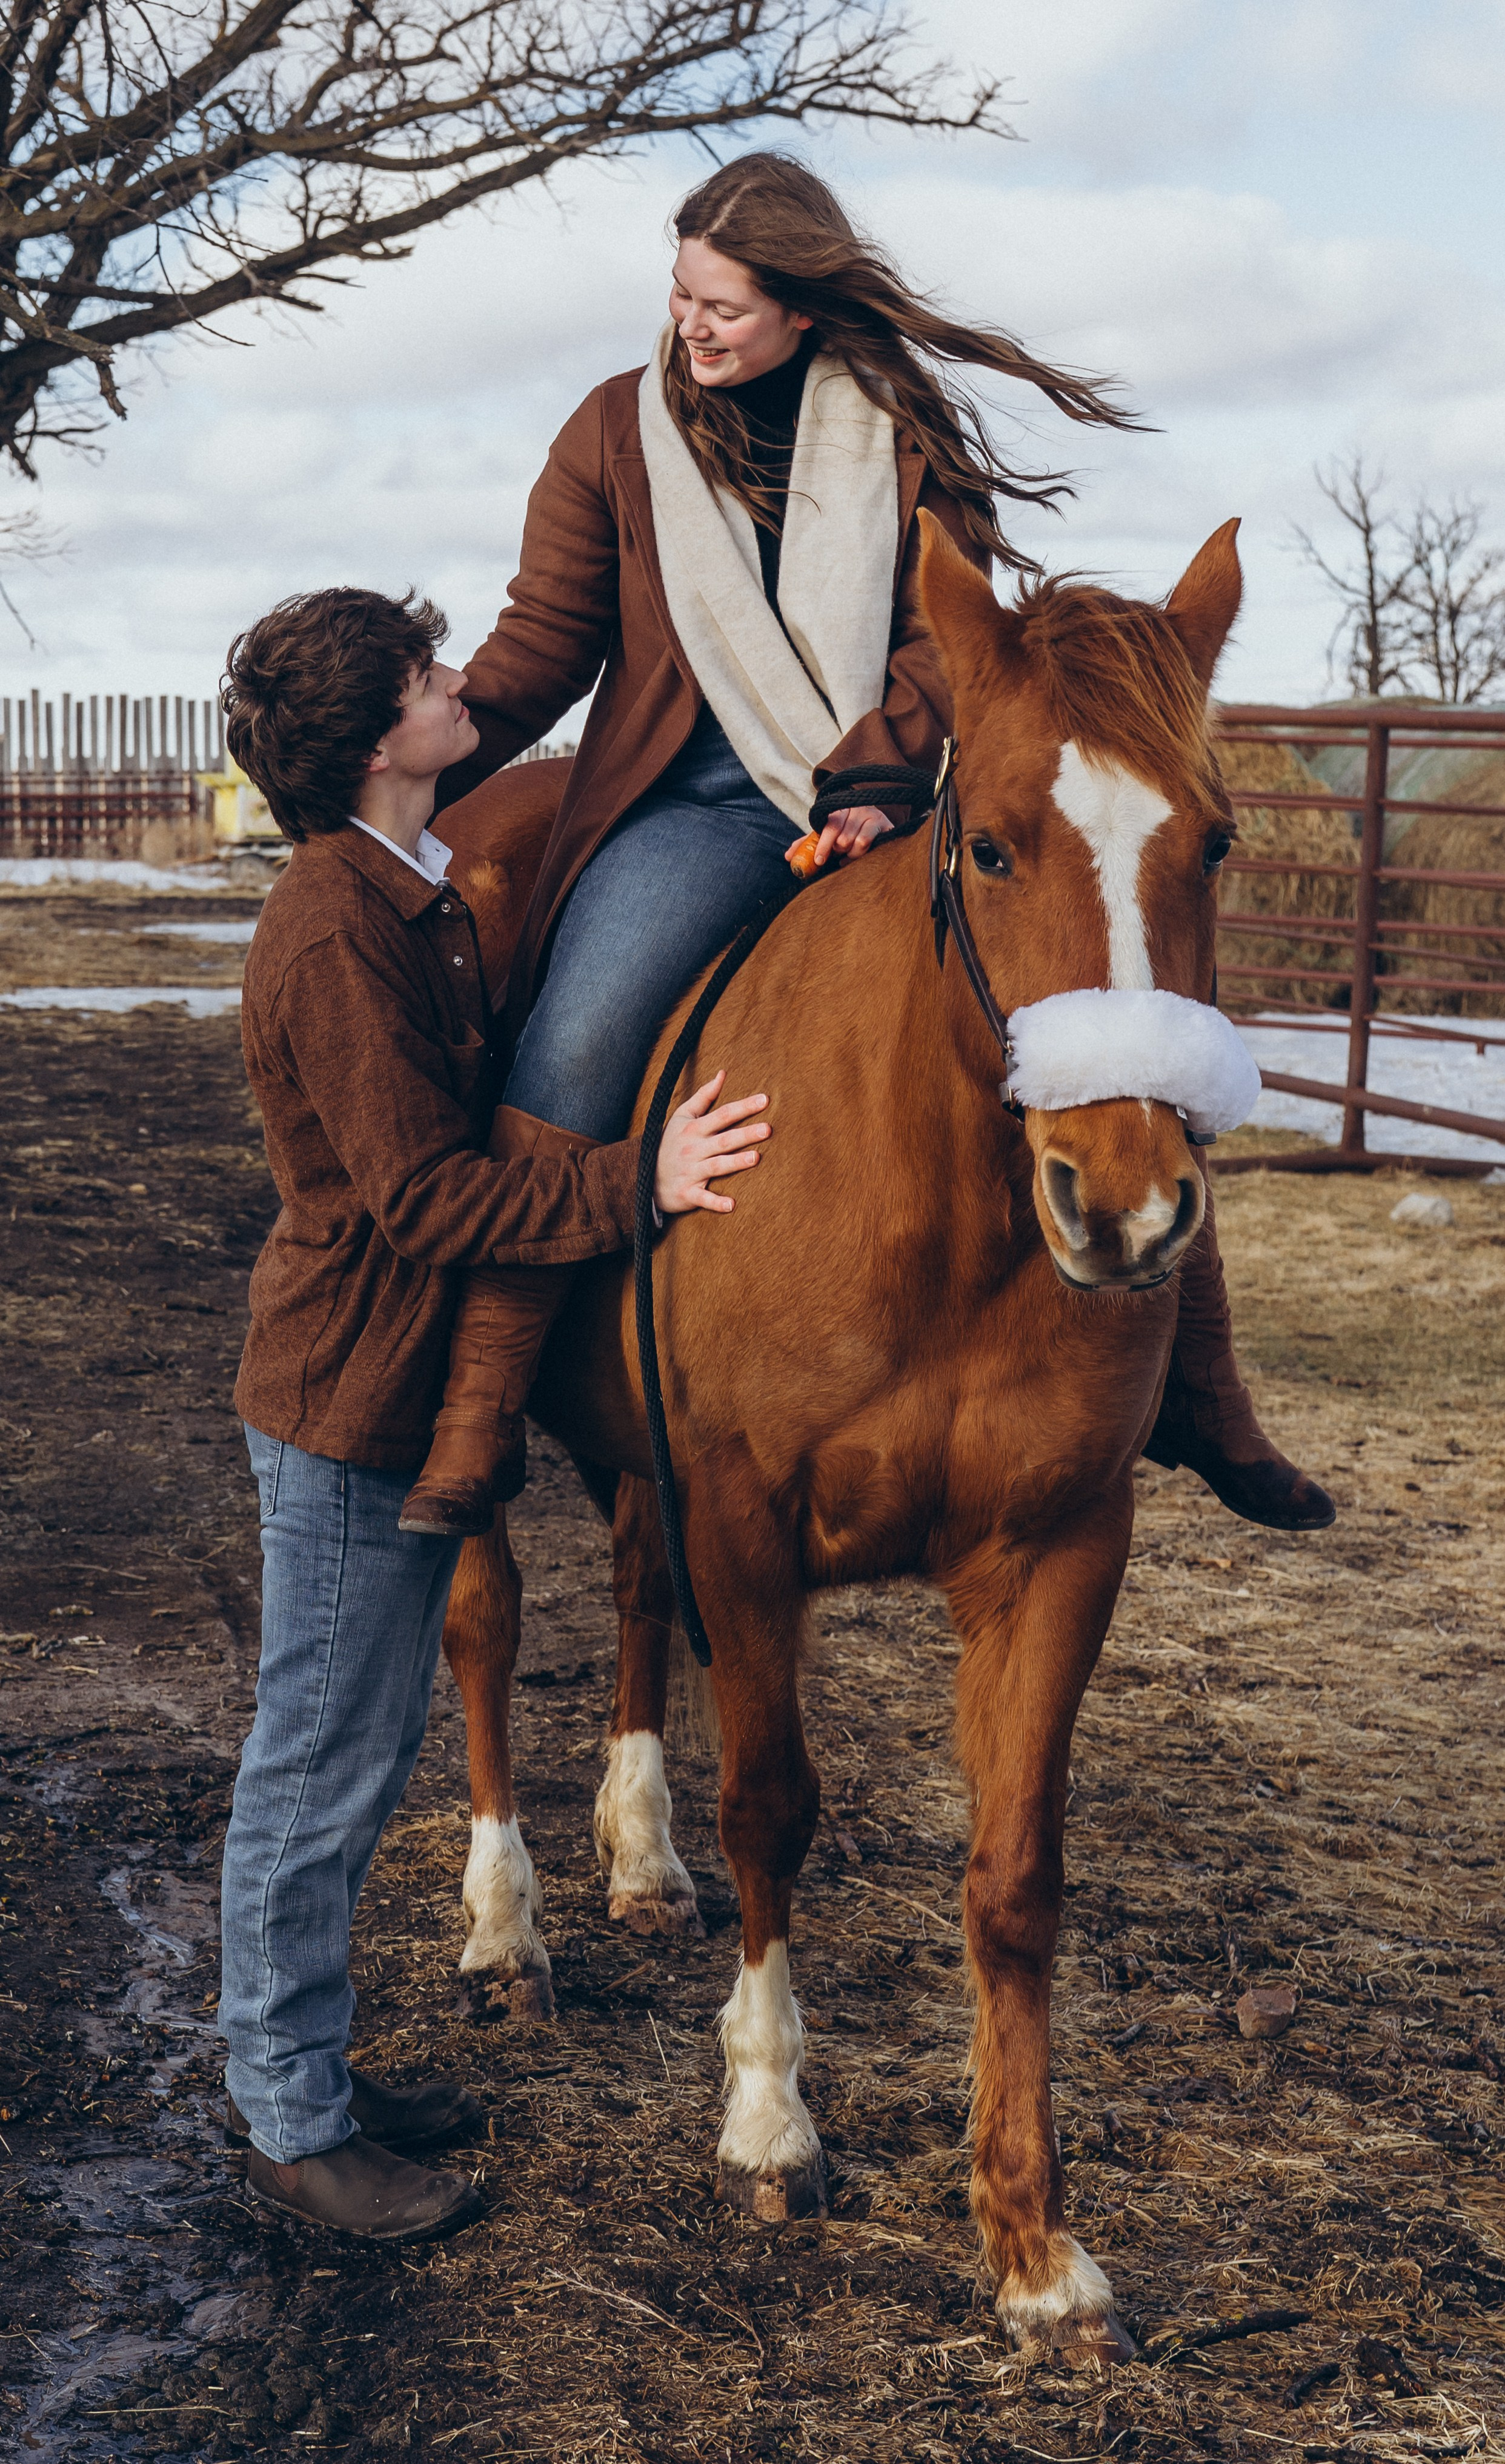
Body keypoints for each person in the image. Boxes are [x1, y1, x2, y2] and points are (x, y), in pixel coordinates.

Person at [398, 151, 1334, 1541]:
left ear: (802, 308)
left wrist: (879, 775)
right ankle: (480, 1409)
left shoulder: (897, 428)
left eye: (721, 304)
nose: (690, 324)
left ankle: (1205, 1393)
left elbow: (939, 641)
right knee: (581, 1035)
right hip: (697, 802)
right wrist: (407, 757)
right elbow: (544, 644)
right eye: (679, 294)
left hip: (889, 789)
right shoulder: (613, 435)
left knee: (1102, 1019)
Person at [218, 585, 768, 2242]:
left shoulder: (407, 888)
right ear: (386, 739)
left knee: (362, 1750)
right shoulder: (333, 928)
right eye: (433, 675)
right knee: (312, 1768)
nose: (466, 687)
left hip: (375, 1393)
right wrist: (638, 1181)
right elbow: (430, 1195)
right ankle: (293, 2127)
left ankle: (304, 2068)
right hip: (340, 1399)